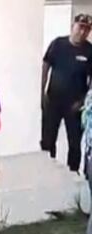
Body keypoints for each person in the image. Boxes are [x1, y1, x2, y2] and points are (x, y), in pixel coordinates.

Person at [41, 14, 92, 173]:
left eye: (87, 29)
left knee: (75, 145)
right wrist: (42, 92)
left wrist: (84, 101)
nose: (82, 32)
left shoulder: (89, 50)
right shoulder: (58, 44)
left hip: (75, 105)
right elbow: (45, 66)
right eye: (80, 27)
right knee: (48, 142)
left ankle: (73, 177)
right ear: (73, 26)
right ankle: (47, 173)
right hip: (53, 101)